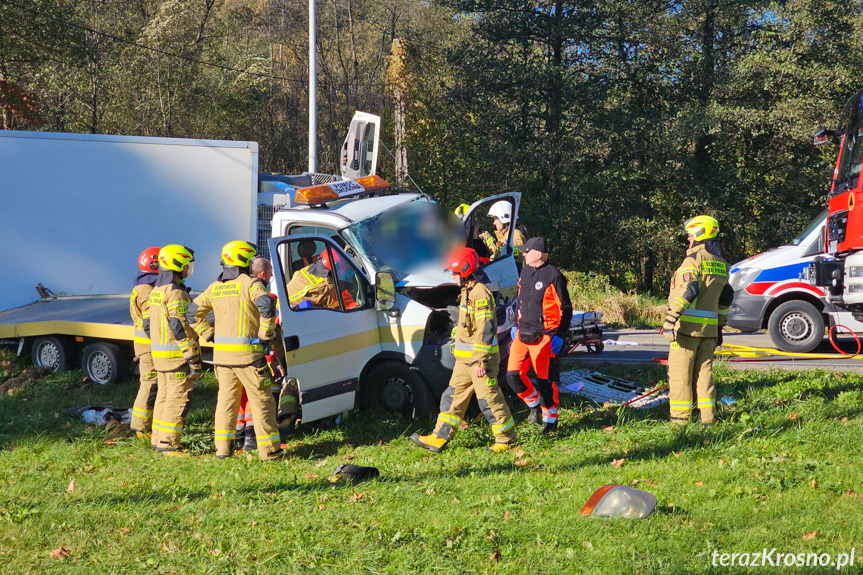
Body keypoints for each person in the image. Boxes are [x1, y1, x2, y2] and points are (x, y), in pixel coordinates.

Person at [411, 247, 516, 453]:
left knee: (489, 399)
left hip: (479, 361)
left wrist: (480, 361)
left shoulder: (480, 294)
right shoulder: (467, 291)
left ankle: (506, 439)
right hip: (464, 361)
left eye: (455, 272)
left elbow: (485, 331)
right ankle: (439, 437)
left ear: (466, 270)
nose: (452, 275)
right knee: (451, 397)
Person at [188, 241, 283, 460]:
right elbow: (267, 306)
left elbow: (192, 312)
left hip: (222, 359)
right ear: (245, 262)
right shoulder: (251, 284)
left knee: (226, 403)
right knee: (262, 402)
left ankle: (222, 451)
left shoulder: (216, 287)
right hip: (249, 358)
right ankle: (270, 452)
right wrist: (265, 336)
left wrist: (207, 334)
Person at [662, 216, 734, 426]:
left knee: (680, 375)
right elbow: (725, 299)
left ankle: (680, 422)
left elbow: (688, 291)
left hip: (686, 331)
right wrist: (720, 327)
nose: (688, 240)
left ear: (700, 235)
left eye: (691, 235)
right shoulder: (722, 264)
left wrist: (670, 319)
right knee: (704, 375)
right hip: (709, 332)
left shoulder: (693, 261)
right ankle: (708, 419)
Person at [505, 237, 573, 434]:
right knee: (513, 376)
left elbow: (566, 309)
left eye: (527, 251)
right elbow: (519, 300)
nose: (523, 254)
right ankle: (533, 406)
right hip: (522, 332)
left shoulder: (554, 276)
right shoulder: (525, 271)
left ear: (538, 254)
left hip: (545, 336)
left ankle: (550, 421)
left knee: (546, 382)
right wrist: (515, 324)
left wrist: (559, 335)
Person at [148, 244, 201, 456]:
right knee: (177, 399)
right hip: (176, 356)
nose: (189, 269)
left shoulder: (157, 291)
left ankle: (158, 439)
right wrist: (192, 356)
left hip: (160, 357)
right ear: (177, 264)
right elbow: (180, 327)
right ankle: (169, 444)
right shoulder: (176, 293)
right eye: (186, 264)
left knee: (163, 397)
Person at [129, 247, 160, 439]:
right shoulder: (147, 291)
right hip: (149, 347)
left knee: (150, 384)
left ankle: (146, 424)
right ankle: (140, 428)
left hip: (146, 345)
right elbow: (150, 324)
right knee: (149, 385)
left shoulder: (142, 287)